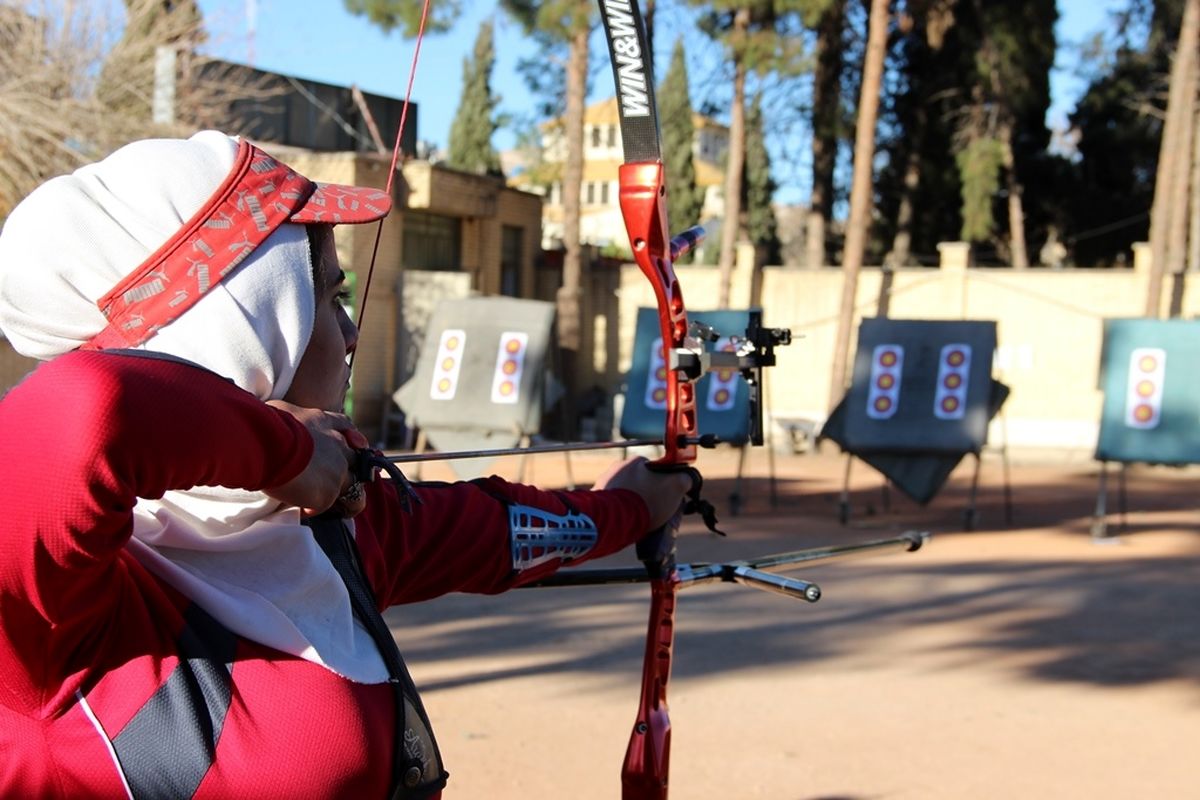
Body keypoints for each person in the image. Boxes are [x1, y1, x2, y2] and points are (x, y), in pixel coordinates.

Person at [0, 131, 692, 798]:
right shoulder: (57, 593)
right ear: (246, 330)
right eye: (327, 297)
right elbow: (83, 408)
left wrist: (631, 507)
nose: (353, 330)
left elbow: (497, 530)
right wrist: (286, 453)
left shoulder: (335, 524)